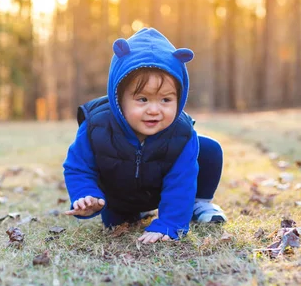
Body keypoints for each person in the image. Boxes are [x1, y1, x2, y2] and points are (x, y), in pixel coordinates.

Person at [62, 28, 226, 244]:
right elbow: (78, 166)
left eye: (166, 100)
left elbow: (181, 182)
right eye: (142, 99)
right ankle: (133, 213)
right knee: (117, 224)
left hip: (157, 190)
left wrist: (170, 224)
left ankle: (200, 203)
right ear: (118, 97)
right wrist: (86, 195)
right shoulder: (96, 126)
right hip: (118, 195)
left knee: (209, 149)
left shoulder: (182, 134)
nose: (154, 110)